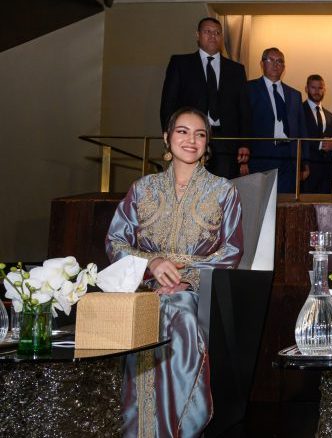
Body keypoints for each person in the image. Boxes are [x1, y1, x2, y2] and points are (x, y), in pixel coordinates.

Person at [106, 107, 244, 437]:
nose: (191, 140)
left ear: (207, 143)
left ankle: (176, 428)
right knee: (148, 310)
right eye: (182, 131)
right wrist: (151, 264)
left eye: (200, 134)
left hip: (196, 292)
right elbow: (115, 242)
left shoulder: (223, 191)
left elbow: (231, 252)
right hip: (144, 288)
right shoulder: (142, 188)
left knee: (176, 310)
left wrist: (185, 278)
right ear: (166, 138)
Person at [160, 17, 251, 180]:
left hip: (226, 141)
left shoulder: (236, 70)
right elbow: (168, 104)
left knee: (222, 189)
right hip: (190, 139)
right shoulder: (180, 64)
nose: (212, 36)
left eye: (217, 33)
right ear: (198, 35)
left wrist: (244, 143)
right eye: (207, 32)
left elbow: (244, 109)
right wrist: (170, 136)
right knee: (189, 185)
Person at [246, 48, 309, 193]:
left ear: (284, 67)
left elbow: (302, 130)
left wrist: (304, 161)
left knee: (286, 201)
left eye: (280, 61)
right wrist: (243, 159)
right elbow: (243, 123)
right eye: (271, 60)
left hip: (289, 157)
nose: (276, 64)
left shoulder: (295, 95)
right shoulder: (249, 89)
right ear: (262, 64)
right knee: (262, 200)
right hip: (260, 157)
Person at [301, 74, 332, 194]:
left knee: (326, 206)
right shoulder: (299, 111)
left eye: (320, 88)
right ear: (306, 89)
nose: (317, 91)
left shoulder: (330, 116)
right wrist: (321, 144)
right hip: (306, 172)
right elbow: (297, 139)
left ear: (324, 90)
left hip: (327, 174)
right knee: (306, 206)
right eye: (313, 87)